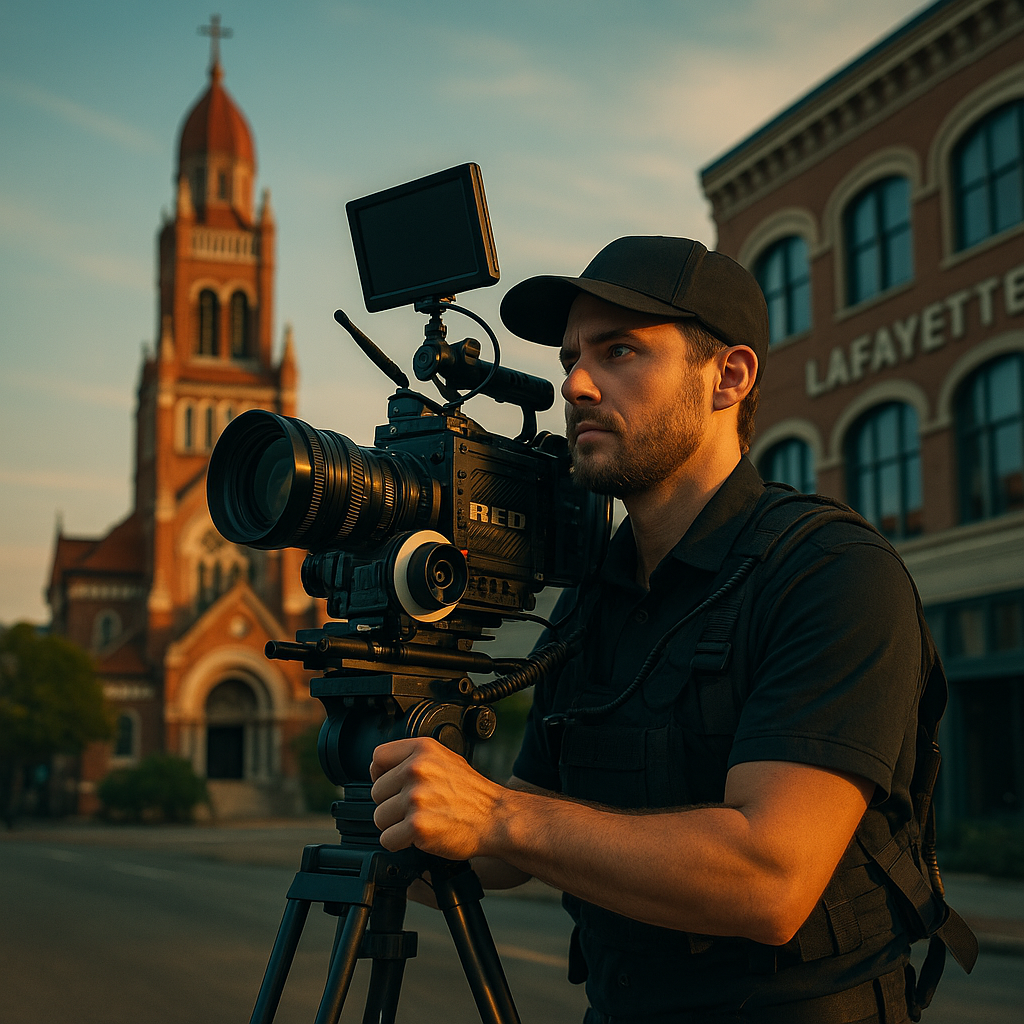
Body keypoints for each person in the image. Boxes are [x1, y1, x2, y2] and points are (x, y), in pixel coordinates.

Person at [369, 237, 932, 1023]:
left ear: (728, 377)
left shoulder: (830, 573)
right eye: (571, 357)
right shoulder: (595, 594)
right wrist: (400, 801)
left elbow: (770, 879)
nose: (577, 383)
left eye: (621, 350)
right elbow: (504, 850)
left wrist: (498, 815)